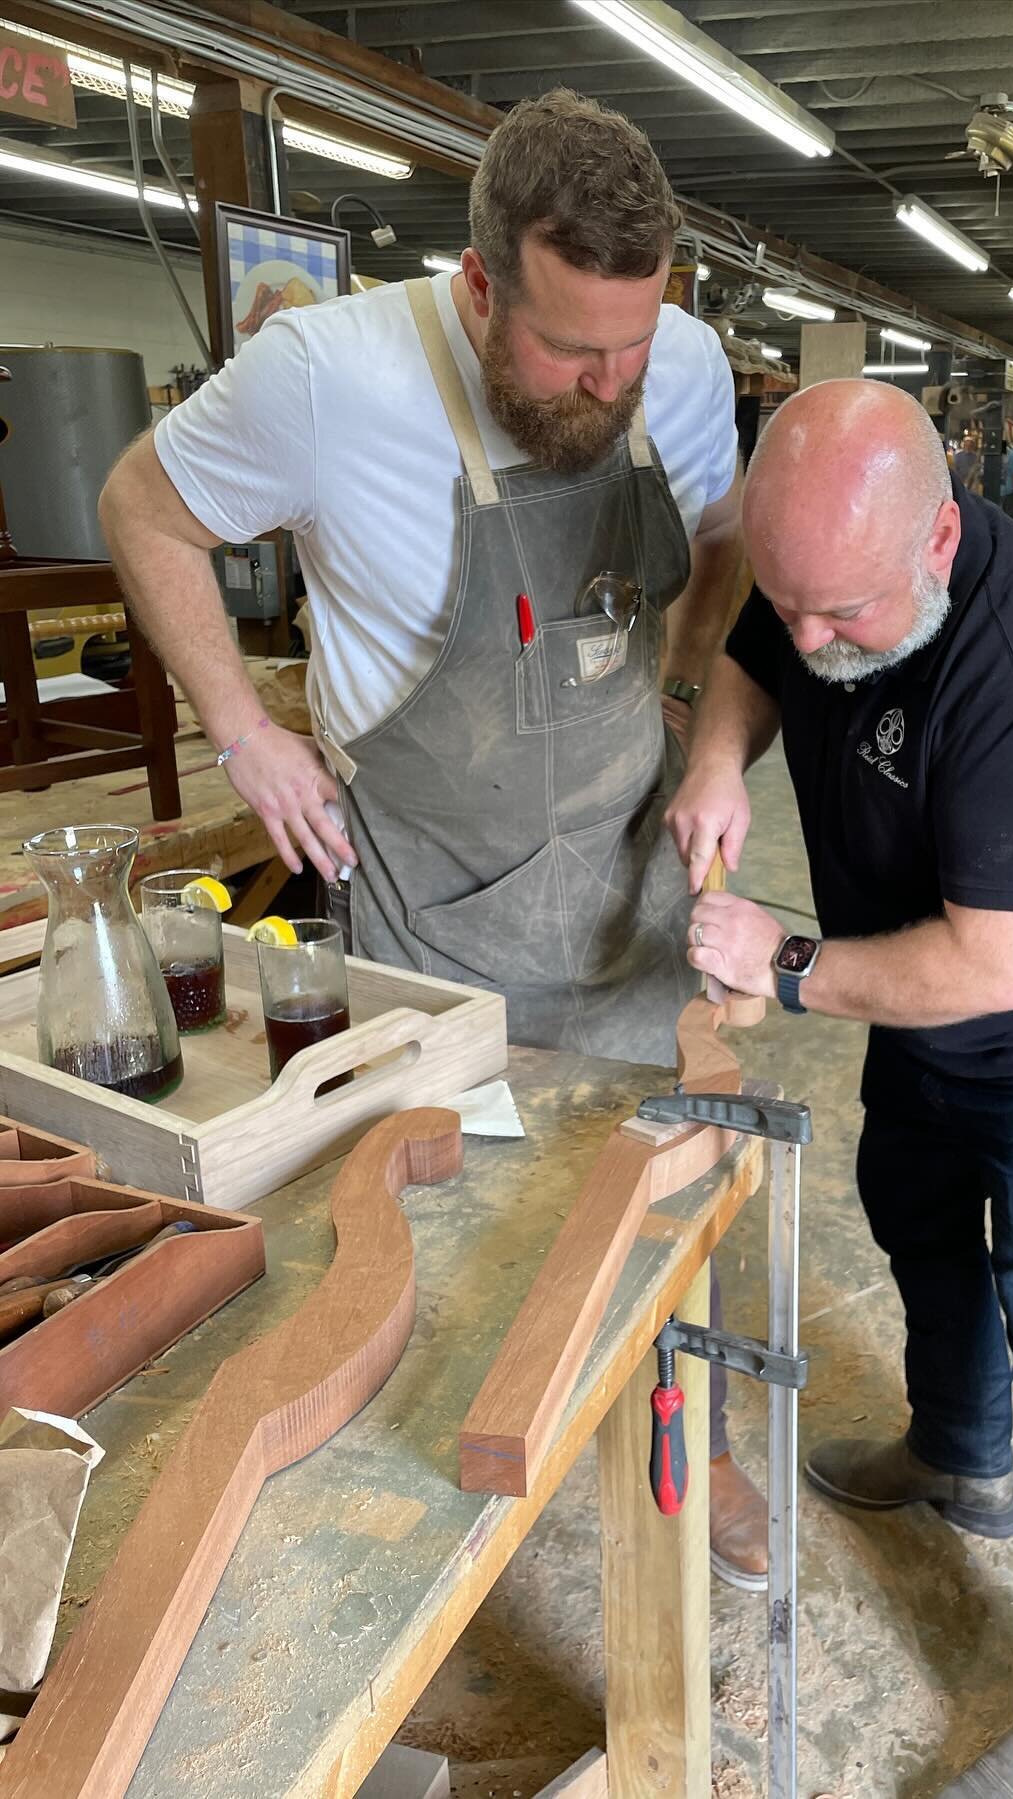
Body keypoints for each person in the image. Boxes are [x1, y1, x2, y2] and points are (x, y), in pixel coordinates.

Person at [98, 88, 767, 1588]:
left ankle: (700, 1431)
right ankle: (457, 1500)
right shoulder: (326, 379)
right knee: (458, 1223)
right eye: (568, 348)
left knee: (671, 1179)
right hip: (436, 911)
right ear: (477, 286)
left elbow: (718, 540)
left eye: (632, 346)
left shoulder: (688, 365)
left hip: (626, 884)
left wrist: (684, 695)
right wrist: (244, 728)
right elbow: (143, 507)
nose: (608, 384)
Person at [665, 379, 1013, 1795]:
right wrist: (719, 760)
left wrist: (788, 956)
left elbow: (998, 966)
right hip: (925, 1005)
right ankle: (957, 1450)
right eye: (792, 598)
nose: (809, 639)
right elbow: (749, 643)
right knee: (916, 1209)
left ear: (938, 540)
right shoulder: (817, 584)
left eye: (841, 612)